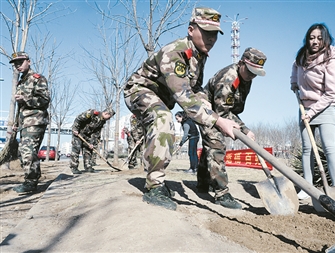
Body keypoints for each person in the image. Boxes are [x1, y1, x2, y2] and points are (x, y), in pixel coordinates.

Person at [124, 7, 240, 211]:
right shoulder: (176, 52)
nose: (211, 39)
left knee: (210, 124)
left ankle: (218, 187)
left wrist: (214, 117)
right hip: (139, 91)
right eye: (206, 32)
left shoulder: (199, 55)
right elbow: (184, 96)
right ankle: (154, 186)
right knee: (163, 118)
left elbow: (195, 89)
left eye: (215, 34)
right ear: (190, 29)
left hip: (165, 97)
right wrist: (216, 119)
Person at [197, 47, 267, 209]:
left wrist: (243, 128)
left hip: (220, 110)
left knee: (210, 145)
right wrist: (245, 130)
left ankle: (202, 183)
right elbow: (222, 112)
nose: (252, 76)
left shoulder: (246, 79)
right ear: (241, 63)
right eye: (249, 71)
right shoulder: (229, 78)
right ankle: (221, 192)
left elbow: (233, 109)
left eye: (255, 73)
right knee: (216, 144)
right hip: (207, 110)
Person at [290, 23, 335, 200]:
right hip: (304, 106)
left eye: (319, 38)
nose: (315, 41)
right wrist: (293, 82)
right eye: (312, 38)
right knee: (306, 149)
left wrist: (311, 113)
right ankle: (307, 187)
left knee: (329, 147)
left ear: (325, 39)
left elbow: (331, 93)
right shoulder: (302, 56)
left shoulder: (330, 58)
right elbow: (295, 67)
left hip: (325, 107)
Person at [9, 52, 50, 193]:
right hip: (24, 122)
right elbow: (20, 107)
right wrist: (16, 123)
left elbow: (45, 101)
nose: (18, 65)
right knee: (22, 152)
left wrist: (26, 99)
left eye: (21, 62)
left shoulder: (37, 79)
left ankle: (31, 183)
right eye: (16, 64)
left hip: (36, 120)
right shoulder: (22, 82)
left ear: (29, 61)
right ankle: (32, 178)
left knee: (28, 151)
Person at [69, 108, 115, 174]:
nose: (109, 119)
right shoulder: (93, 113)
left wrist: (92, 142)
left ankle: (88, 167)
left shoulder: (102, 121)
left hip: (88, 135)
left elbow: (97, 132)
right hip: (78, 132)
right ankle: (74, 167)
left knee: (88, 150)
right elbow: (78, 118)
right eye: (109, 117)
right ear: (106, 113)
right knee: (76, 149)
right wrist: (75, 128)